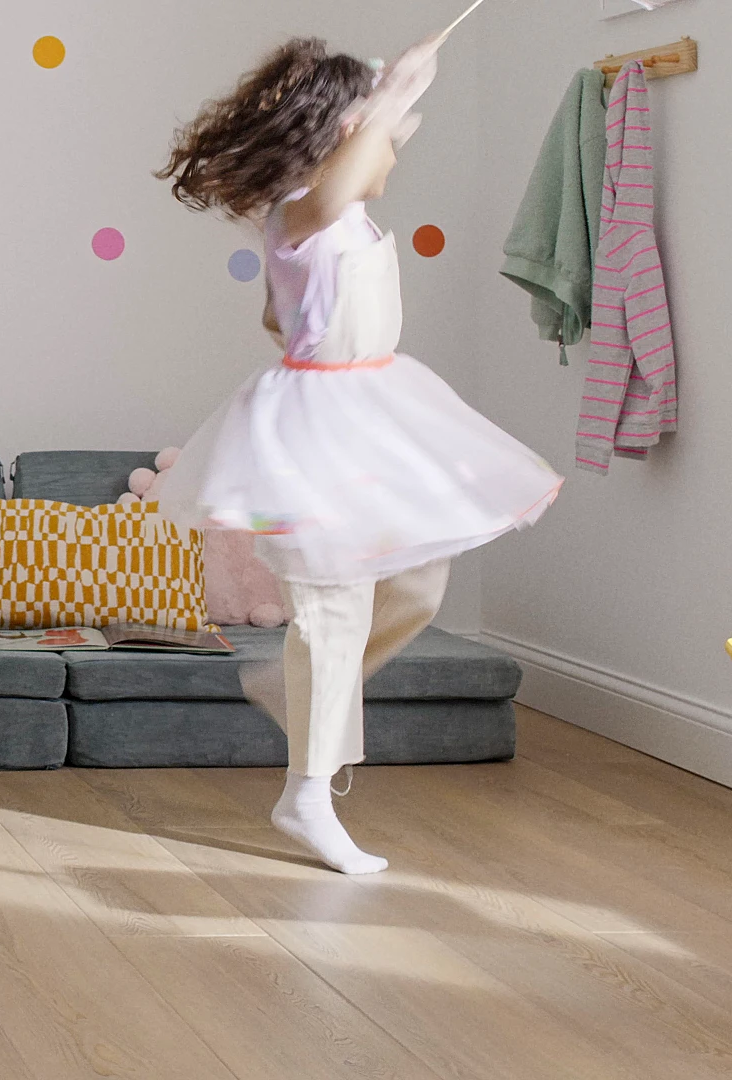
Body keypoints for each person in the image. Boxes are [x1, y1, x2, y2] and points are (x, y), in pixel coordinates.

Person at [152, 36, 560, 874]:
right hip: (312, 428)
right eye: (373, 132)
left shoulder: (346, 214)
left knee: (418, 580)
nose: (393, 149)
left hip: (372, 410)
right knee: (332, 614)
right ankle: (306, 797)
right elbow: (347, 174)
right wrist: (389, 93)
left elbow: (380, 148)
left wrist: (403, 90)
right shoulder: (304, 207)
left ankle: (288, 690)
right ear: (333, 138)